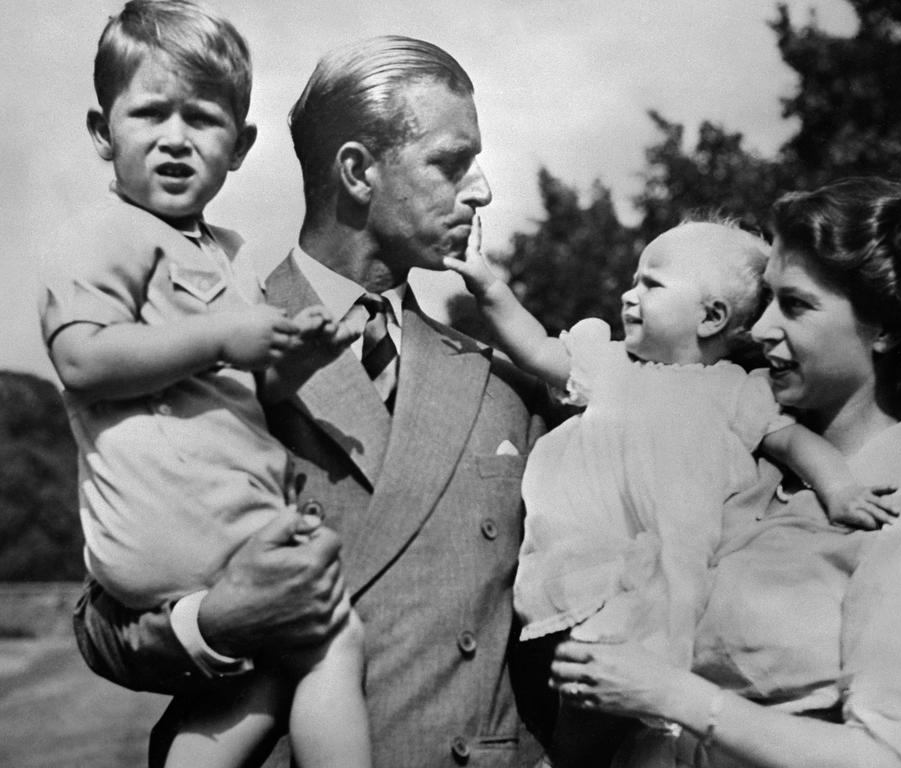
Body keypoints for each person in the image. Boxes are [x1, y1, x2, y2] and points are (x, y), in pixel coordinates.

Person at [70, 33, 552, 768]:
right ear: (357, 172)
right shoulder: (198, 350)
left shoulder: (502, 384)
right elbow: (101, 621)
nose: (481, 189)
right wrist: (218, 623)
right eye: (452, 163)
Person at [547, 177, 901, 768]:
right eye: (767, 298)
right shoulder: (735, 468)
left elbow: (889, 756)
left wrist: (676, 697)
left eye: (797, 304)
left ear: (883, 329)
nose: (758, 329)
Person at [39, 3, 373, 767]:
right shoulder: (104, 233)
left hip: (220, 519)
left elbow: (244, 389)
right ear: (102, 132)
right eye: (150, 113)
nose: (176, 139)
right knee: (332, 637)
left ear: (241, 145)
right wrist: (223, 334)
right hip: (176, 524)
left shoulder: (227, 253)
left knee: (254, 681)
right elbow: (83, 362)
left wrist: (294, 360)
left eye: (204, 119)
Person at [447, 216, 896, 766]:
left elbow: (797, 445)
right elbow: (537, 349)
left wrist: (842, 488)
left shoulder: (737, 393)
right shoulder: (611, 365)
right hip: (585, 576)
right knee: (583, 713)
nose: (627, 294)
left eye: (650, 285)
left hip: (666, 593)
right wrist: (489, 287)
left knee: (640, 728)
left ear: (712, 317)